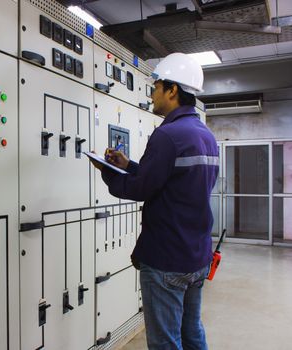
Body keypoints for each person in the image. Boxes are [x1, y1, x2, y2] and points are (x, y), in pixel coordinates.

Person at [90, 53, 219, 350]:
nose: (152, 94)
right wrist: (129, 165)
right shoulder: (205, 135)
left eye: (155, 86)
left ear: (172, 90)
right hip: (197, 255)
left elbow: (140, 189)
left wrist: (107, 172)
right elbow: (169, 179)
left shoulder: (168, 135)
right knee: (191, 332)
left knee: (165, 342)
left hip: (167, 260)